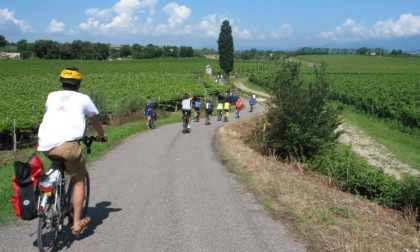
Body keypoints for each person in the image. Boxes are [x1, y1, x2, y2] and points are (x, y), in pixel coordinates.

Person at [37, 66, 108, 236]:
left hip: (46, 144)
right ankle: (76, 223)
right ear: (79, 83)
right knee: (78, 179)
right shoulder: (84, 98)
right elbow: (94, 120)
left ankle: (56, 201)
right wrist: (101, 134)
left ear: (62, 82)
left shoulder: (51, 96)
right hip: (68, 146)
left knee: (58, 164)